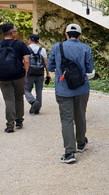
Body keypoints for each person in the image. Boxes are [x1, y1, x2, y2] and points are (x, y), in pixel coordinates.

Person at [46, 23, 95, 164]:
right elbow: (89, 69)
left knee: (66, 120)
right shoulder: (85, 48)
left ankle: (69, 153)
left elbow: (50, 67)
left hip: (63, 89)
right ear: (80, 36)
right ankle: (81, 143)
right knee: (80, 116)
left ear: (66, 34)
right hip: (81, 88)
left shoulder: (57, 47)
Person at [0, 23, 30, 133]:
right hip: (19, 75)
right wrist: (25, 72)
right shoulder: (20, 44)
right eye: (15, 31)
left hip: (4, 77)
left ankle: (10, 124)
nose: (16, 32)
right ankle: (19, 120)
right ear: (12, 33)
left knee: (9, 100)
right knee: (19, 97)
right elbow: (26, 60)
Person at [24, 33, 49, 115]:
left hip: (30, 73)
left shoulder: (26, 49)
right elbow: (45, 63)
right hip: (40, 73)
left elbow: (25, 61)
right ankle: (37, 108)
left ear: (30, 40)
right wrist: (48, 74)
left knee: (26, 89)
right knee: (39, 91)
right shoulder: (42, 50)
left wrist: (25, 73)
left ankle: (33, 101)